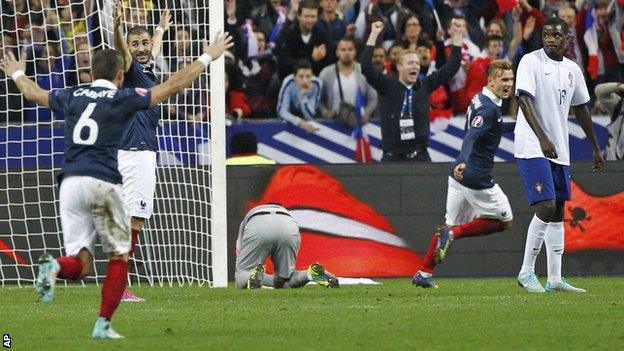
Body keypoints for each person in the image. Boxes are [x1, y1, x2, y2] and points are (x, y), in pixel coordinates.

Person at [0, 32, 233, 338]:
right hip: (102, 182)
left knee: (81, 264)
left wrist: (16, 72)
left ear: (91, 73)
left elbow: (34, 94)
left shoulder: (71, 94)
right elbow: (174, 85)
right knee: (119, 256)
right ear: (121, 74)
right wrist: (207, 56)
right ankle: (102, 325)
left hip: (69, 183)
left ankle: (54, 267)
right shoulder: (121, 98)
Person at [514, 17, 605, 293]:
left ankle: (555, 278)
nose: (551, 39)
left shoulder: (572, 69)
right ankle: (526, 272)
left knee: (557, 211)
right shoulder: (530, 61)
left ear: (567, 39)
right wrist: (542, 138)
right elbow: (523, 99)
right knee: (545, 205)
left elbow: (581, 109)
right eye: (547, 35)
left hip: (559, 149)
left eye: (556, 35)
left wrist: (595, 147)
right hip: (533, 144)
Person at [412, 60, 516, 288]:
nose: (509, 84)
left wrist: (519, 125)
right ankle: (455, 235)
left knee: (448, 224)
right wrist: (462, 160)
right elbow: (471, 136)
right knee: (505, 220)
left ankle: (424, 272)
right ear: (491, 80)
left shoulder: (481, 99)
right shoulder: (489, 109)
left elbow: (491, 126)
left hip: (458, 177)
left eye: (511, 79)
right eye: (504, 79)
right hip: (476, 177)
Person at [113, 1, 171, 302]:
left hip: (138, 151)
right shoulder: (131, 70)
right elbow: (122, 53)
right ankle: (118, 286)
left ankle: (118, 283)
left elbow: (156, 50)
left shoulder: (147, 68)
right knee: (134, 220)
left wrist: (160, 27)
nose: (141, 48)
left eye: (144, 43)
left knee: (133, 219)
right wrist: (118, 28)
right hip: (136, 152)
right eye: (136, 45)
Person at [360, 20, 463, 162]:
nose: (415, 66)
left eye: (417, 63)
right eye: (410, 63)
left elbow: (452, 66)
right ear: (399, 67)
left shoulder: (425, 84)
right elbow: (366, 67)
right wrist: (374, 34)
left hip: (420, 157)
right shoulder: (386, 85)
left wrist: (457, 36)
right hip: (392, 159)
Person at [235, 203, 339, 289]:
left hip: (258, 222)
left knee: (242, 274)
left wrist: (243, 269)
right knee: (284, 280)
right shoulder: (284, 212)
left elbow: (239, 250)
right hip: (288, 223)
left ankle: (252, 277)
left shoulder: (249, 216)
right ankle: (310, 274)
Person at [318, 37, 377, 126]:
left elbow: (373, 98)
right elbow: (317, 98)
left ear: (355, 52)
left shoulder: (364, 71)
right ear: (337, 53)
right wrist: (325, 112)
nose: (347, 53)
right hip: (334, 122)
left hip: (359, 122)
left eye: (350, 49)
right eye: (343, 50)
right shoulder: (326, 73)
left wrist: (367, 113)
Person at [276, 59, 322, 133]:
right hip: (289, 115)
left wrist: (303, 97)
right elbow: (282, 112)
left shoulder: (317, 84)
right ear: (294, 77)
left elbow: (310, 115)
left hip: (305, 113)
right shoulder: (288, 82)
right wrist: (300, 122)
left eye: (308, 76)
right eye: (301, 76)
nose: (305, 80)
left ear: (312, 75)